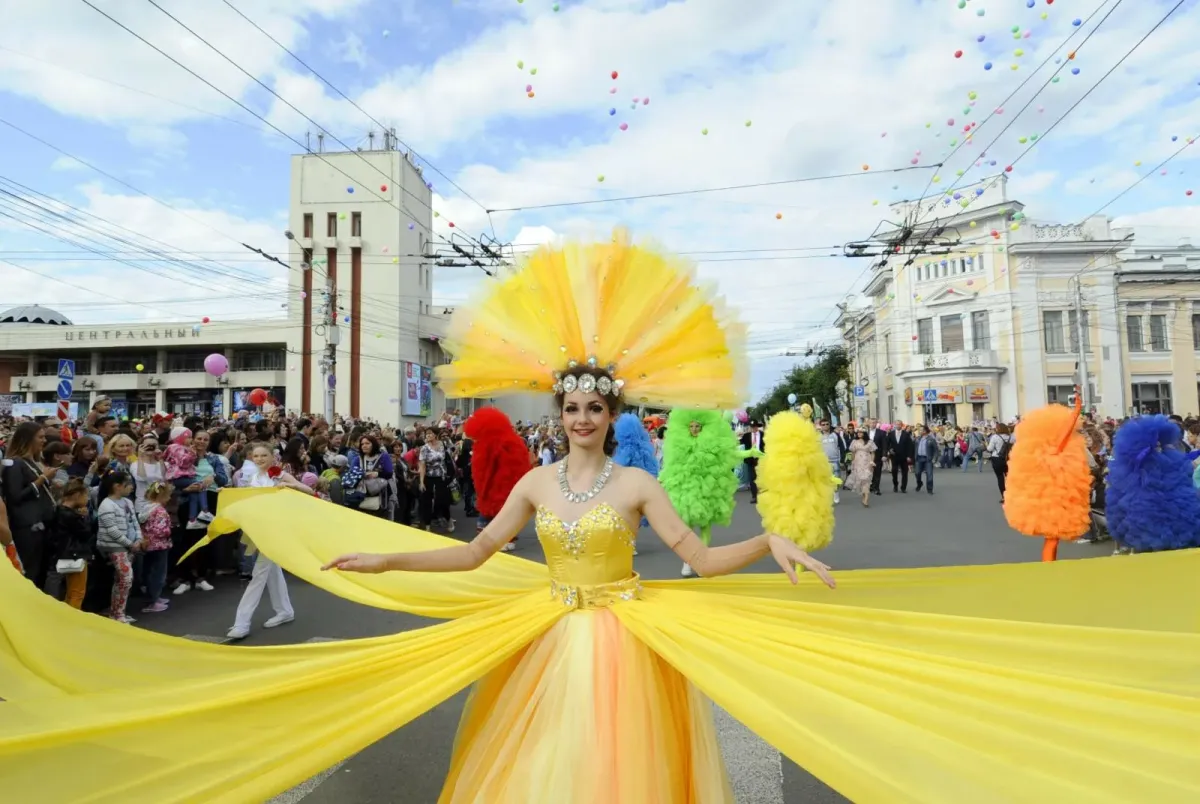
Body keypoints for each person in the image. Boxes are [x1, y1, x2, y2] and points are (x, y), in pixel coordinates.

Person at [0, 234, 1194, 803]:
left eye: (591, 403)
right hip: (538, 647)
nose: (577, 416)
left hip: (625, 643)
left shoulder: (632, 484)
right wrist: (373, 550)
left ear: (610, 412)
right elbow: (472, 553)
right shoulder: (528, 483)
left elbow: (693, 559)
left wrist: (770, 545)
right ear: (552, 410)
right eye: (565, 402)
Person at [845, 429, 877, 507]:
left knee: (866, 479)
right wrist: (852, 462)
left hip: (867, 462)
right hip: (857, 463)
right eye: (858, 432)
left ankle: (866, 499)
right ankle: (863, 495)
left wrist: (872, 462)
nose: (859, 434)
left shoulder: (870, 442)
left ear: (864, 433)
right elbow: (853, 453)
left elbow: (873, 453)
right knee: (860, 480)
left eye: (861, 432)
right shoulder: (854, 442)